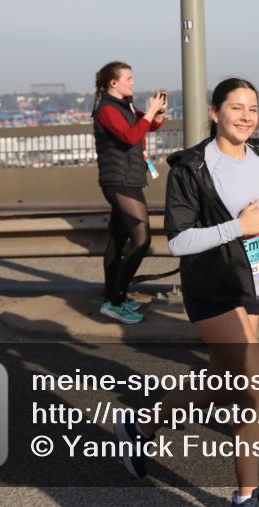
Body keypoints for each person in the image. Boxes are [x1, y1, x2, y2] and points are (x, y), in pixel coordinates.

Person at [115, 78, 259, 507]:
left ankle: (141, 426)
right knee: (258, 390)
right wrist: (237, 228)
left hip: (249, 283)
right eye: (236, 108)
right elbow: (178, 241)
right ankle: (246, 496)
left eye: (253, 109)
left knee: (224, 383)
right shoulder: (192, 167)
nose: (246, 117)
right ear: (215, 113)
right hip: (211, 289)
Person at [92, 61, 166, 324]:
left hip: (129, 178)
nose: (133, 82)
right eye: (129, 78)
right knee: (141, 239)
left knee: (117, 240)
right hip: (119, 181)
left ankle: (111, 297)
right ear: (114, 83)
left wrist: (155, 115)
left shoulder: (124, 106)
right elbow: (129, 136)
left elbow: (143, 130)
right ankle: (116, 300)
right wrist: (149, 112)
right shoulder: (106, 110)